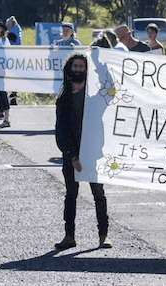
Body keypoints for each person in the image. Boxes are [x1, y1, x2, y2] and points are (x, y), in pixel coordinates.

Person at [54, 52, 111, 250]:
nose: (79, 70)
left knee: (98, 194)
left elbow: (110, 87)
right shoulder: (63, 99)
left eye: (82, 67)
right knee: (71, 195)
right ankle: (69, 235)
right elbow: (61, 131)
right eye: (76, 66)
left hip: (93, 153)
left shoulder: (95, 97)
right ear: (69, 69)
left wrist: (97, 62)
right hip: (72, 156)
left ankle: (104, 235)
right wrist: (72, 156)